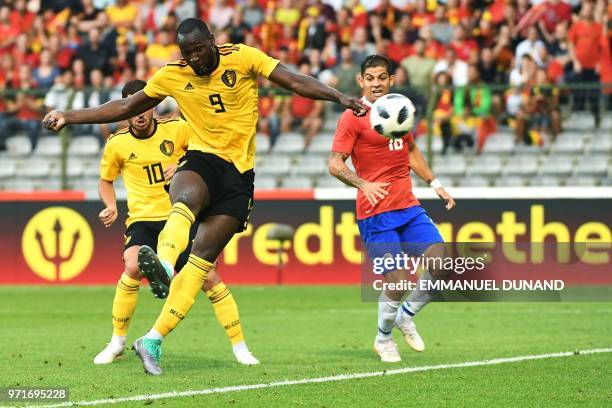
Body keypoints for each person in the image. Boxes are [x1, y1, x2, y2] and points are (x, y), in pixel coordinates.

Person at [43, 18, 364, 375]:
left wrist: (339, 97)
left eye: (198, 49)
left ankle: (152, 339)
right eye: (187, 52)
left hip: (239, 175)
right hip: (201, 158)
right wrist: (67, 116)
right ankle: (163, 266)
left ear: (211, 40)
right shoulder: (172, 75)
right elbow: (124, 107)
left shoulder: (243, 57)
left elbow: (293, 80)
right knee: (184, 199)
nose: (194, 58)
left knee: (199, 265)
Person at [94, 79, 259, 366]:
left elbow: (206, 148)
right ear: (125, 111)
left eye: (146, 106)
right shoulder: (117, 144)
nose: (141, 114)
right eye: (134, 109)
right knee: (132, 266)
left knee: (210, 278)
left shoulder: (177, 128)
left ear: (154, 105)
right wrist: (110, 204)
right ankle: (117, 341)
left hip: (179, 217)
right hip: (143, 220)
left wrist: (185, 161)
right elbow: (105, 180)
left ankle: (240, 347)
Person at [328, 55, 455, 363]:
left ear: (391, 80)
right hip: (375, 214)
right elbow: (334, 164)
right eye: (370, 78)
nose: (376, 83)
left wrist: (434, 182)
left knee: (442, 265)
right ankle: (383, 338)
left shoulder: (399, 108)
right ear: (361, 82)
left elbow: (409, 148)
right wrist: (363, 184)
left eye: (381, 77)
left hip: (409, 207)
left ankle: (405, 316)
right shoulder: (352, 117)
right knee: (397, 283)